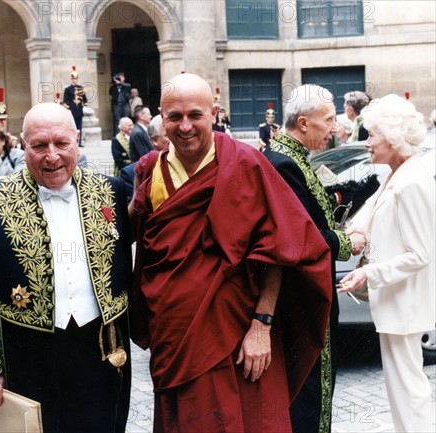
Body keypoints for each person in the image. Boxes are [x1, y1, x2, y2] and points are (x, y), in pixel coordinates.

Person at [129, 73, 333, 432]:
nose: (186, 126)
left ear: (214, 113)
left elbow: (280, 249)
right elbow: (141, 243)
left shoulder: (246, 163)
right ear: (161, 118)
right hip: (173, 335)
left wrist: (261, 325)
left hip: (237, 334)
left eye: (196, 114)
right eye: (174, 117)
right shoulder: (150, 171)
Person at [0, 102, 131, 433]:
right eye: (39, 145)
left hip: (98, 349)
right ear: (23, 145)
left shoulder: (111, 191)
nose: (51, 156)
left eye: (61, 144)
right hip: (27, 352)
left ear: (77, 140)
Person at [263, 84, 369, 433]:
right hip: (302, 299)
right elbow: (295, 239)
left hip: (309, 294)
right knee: (309, 392)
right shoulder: (283, 164)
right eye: (329, 120)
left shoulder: (292, 157)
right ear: (304, 123)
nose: (335, 128)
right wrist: (346, 242)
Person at [338, 94, 435, 433]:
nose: (367, 143)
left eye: (372, 135)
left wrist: (369, 271)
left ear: (393, 138)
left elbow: (420, 254)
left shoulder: (411, 181)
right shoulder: (397, 175)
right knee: (402, 388)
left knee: (409, 389)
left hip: (404, 304)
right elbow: (368, 219)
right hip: (395, 304)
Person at [63, 66, 87, 147]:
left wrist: (85, 106)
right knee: (72, 127)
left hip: (79, 110)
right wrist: (69, 107)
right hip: (72, 110)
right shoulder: (68, 89)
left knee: (79, 127)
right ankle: (73, 142)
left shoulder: (80, 88)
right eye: (73, 79)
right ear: (71, 79)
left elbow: (84, 99)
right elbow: (65, 100)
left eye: (76, 79)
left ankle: (79, 142)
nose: (74, 80)